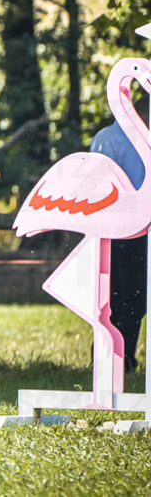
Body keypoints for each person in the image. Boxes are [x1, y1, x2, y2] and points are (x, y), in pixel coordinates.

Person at [90, 91, 149, 373]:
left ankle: (102, 359)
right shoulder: (144, 142)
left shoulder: (103, 138)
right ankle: (123, 358)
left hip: (105, 230)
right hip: (137, 231)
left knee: (105, 298)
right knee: (134, 299)